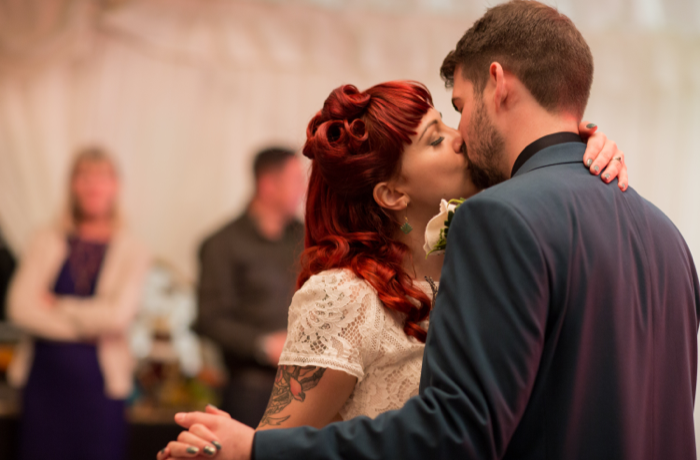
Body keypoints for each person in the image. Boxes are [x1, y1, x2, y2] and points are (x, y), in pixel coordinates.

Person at [161, 1, 699, 459]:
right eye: (437, 136)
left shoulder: (499, 228)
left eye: (456, 112)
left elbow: (461, 430)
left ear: (498, 84)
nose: (462, 136)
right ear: (392, 192)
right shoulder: (668, 235)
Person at [7, 147, 150, 460]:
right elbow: (19, 307)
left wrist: (56, 305)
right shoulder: (46, 238)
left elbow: (117, 318)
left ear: (116, 186)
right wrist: (89, 323)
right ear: (72, 185)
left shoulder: (132, 248)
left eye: (102, 177)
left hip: (99, 386)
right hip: (43, 382)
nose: (93, 186)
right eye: (84, 176)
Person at [194, 147, 306, 428]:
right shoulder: (221, 244)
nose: (302, 189)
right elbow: (209, 320)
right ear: (268, 185)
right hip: (251, 390)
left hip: (308, 388)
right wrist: (264, 345)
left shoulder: (308, 237)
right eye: (296, 180)